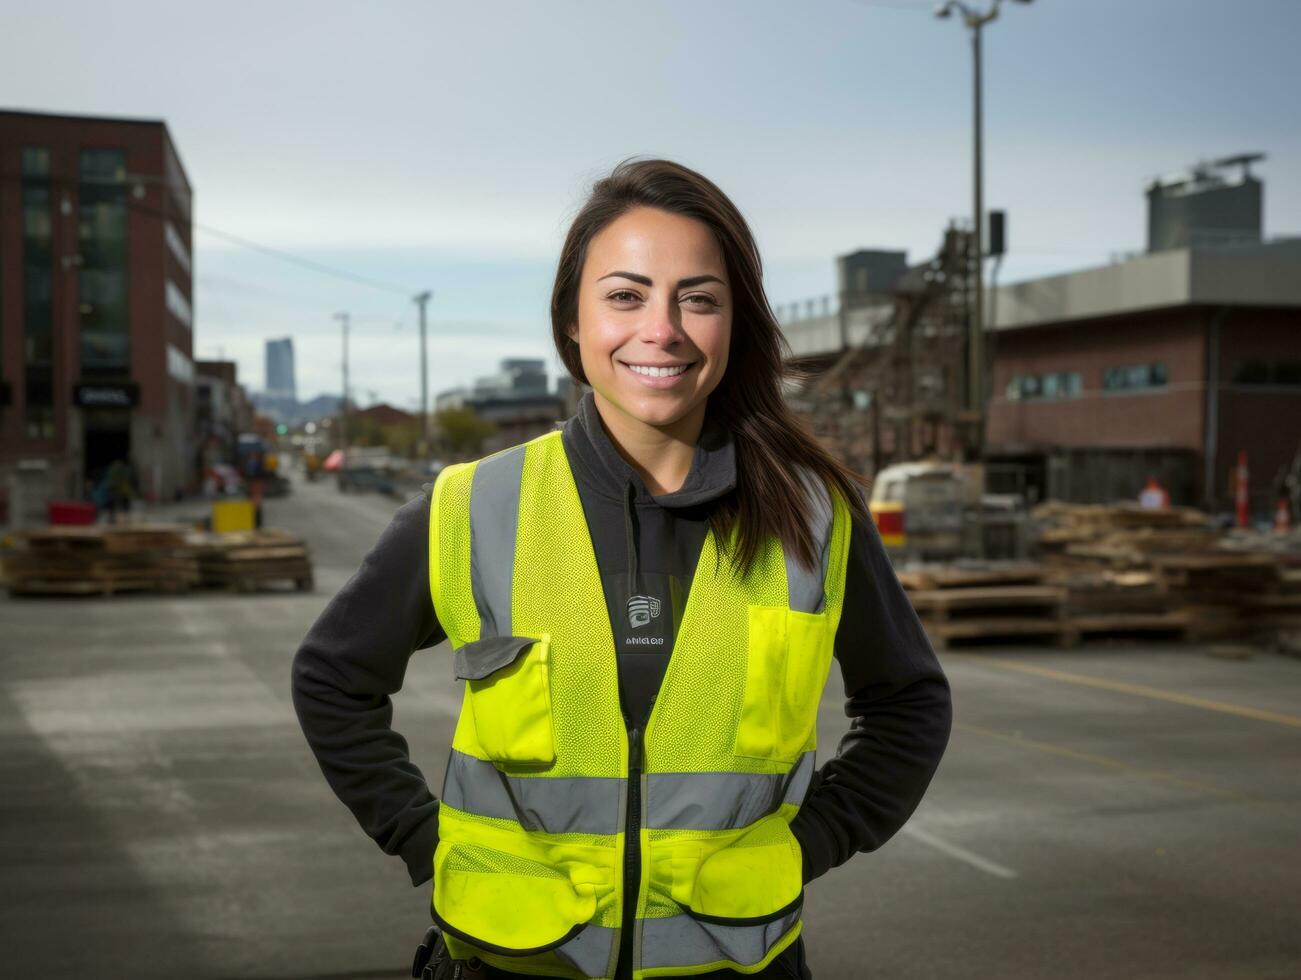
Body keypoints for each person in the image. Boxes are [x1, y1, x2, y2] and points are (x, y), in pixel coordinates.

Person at [292, 158, 953, 980]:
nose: (662, 328)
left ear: (734, 323)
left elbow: (909, 704)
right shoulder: (473, 506)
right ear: (572, 319)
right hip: (511, 965)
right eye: (625, 294)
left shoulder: (814, 516)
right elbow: (332, 679)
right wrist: (429, 841)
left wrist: (807, 842)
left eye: (699, 298)